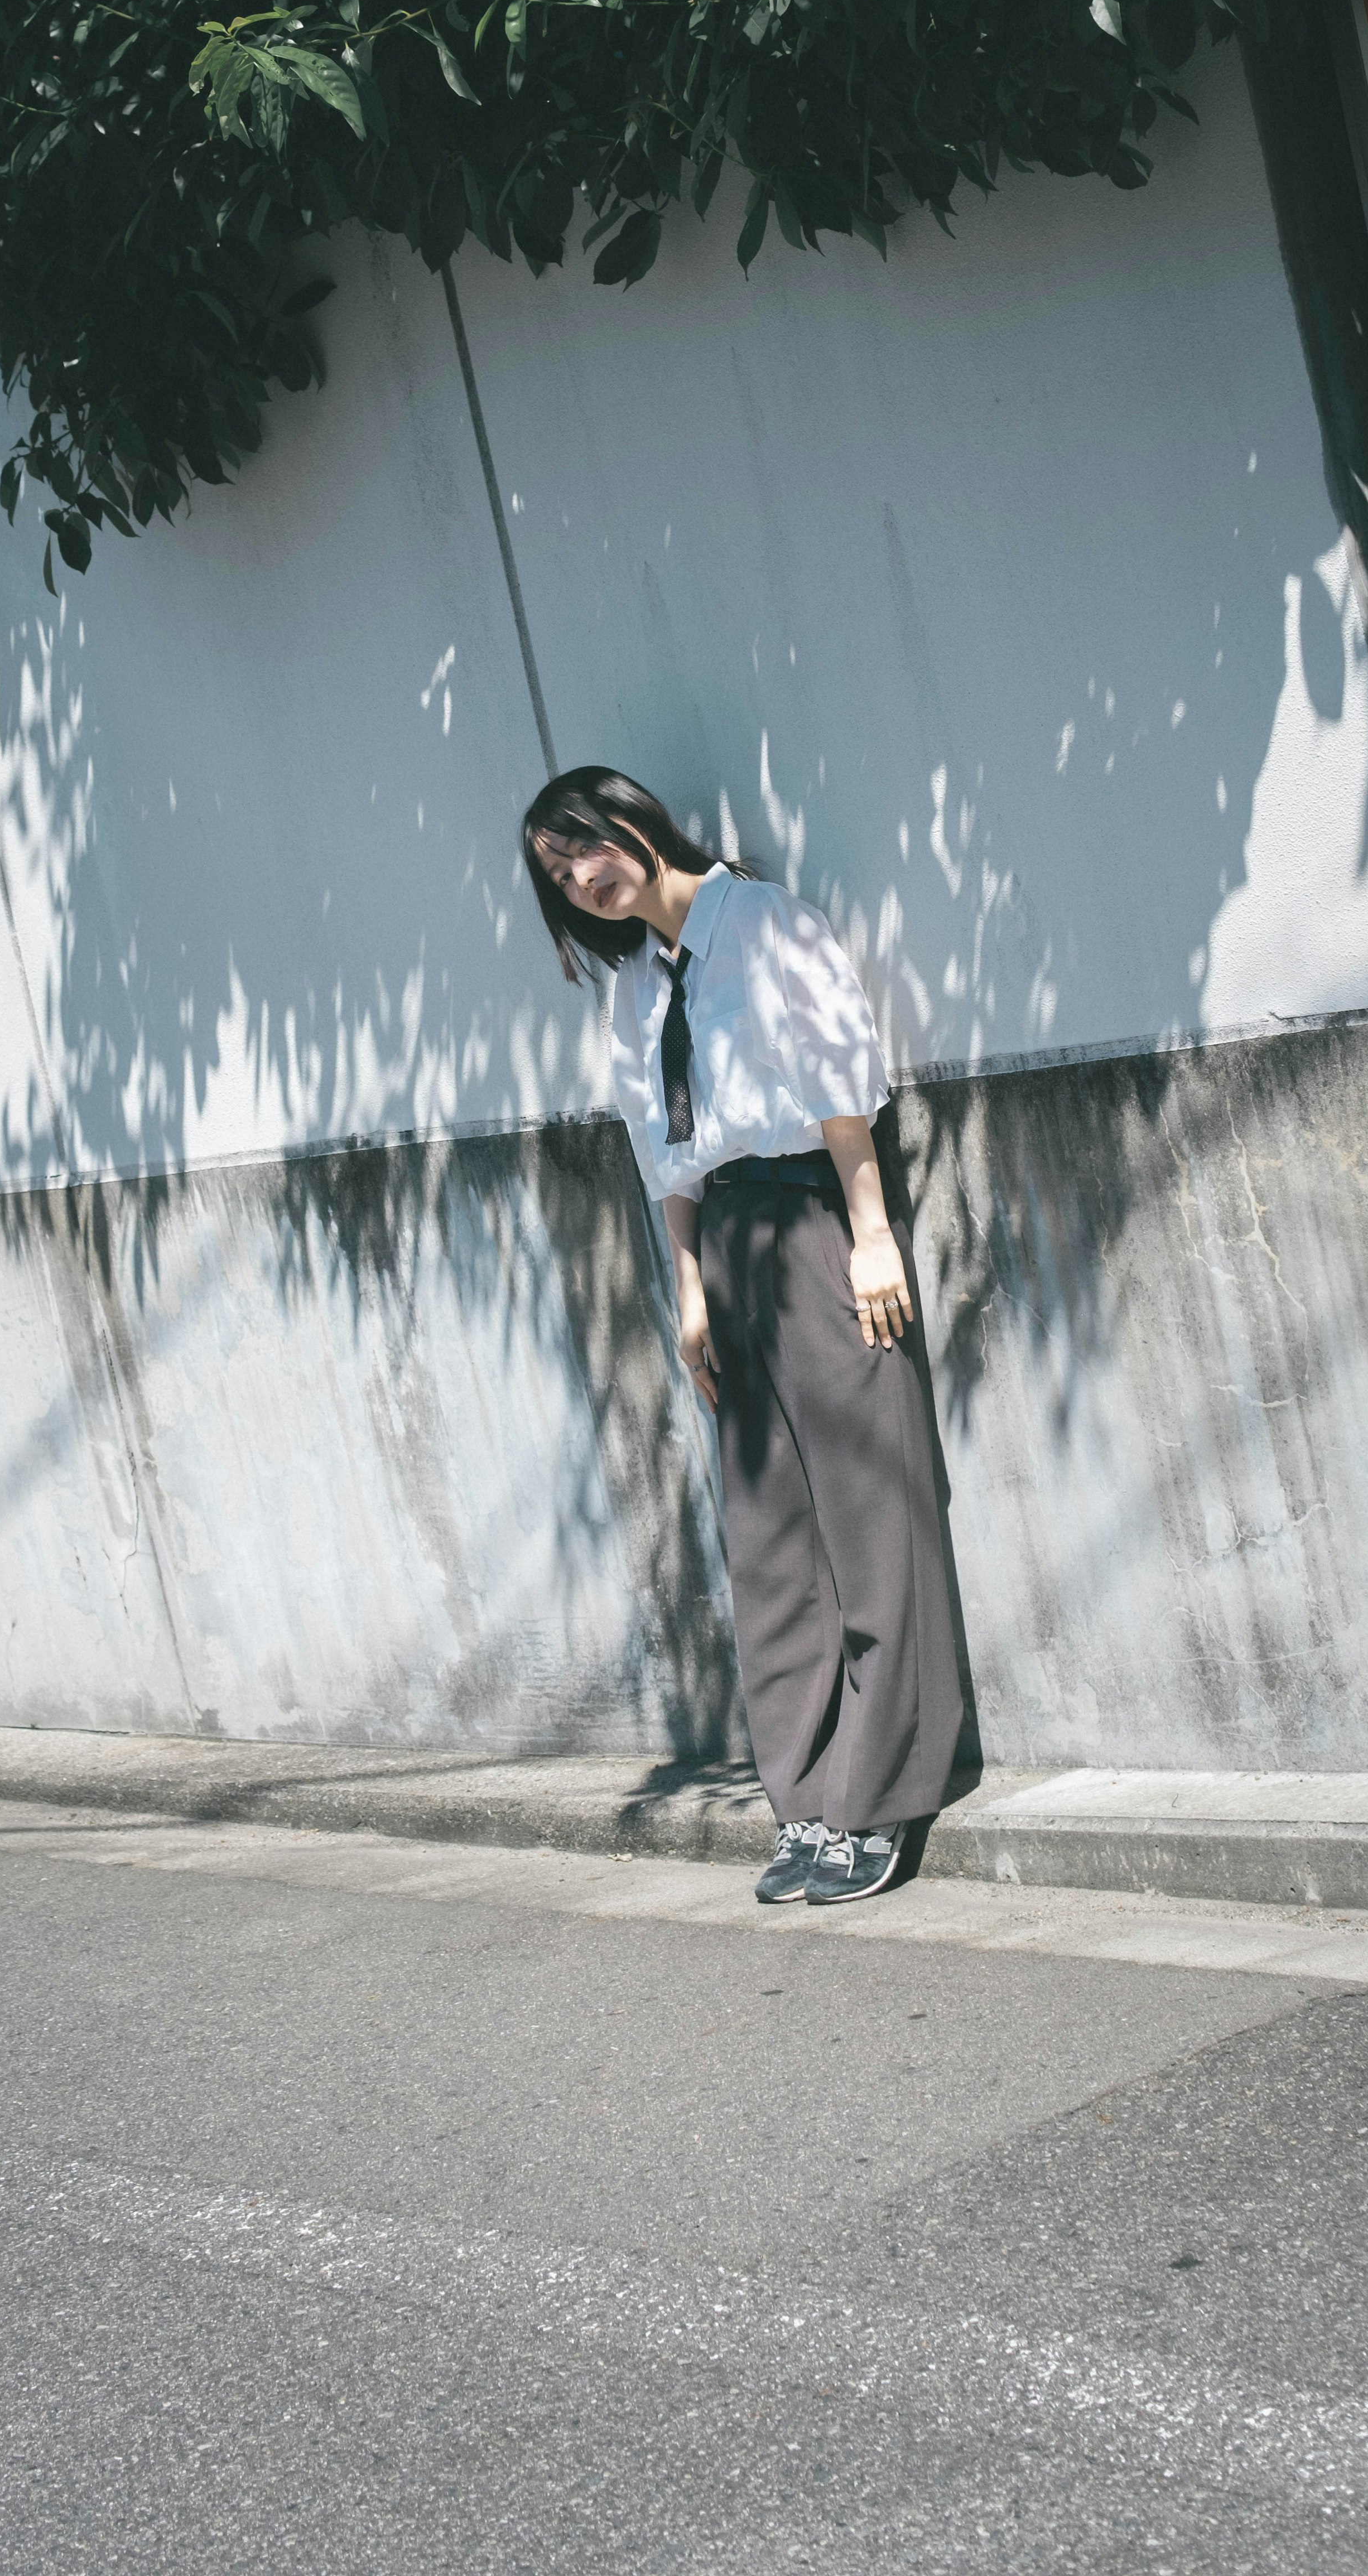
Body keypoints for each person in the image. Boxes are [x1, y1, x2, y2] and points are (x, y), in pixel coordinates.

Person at [522, 765, 967, 1907]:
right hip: (724, 1242)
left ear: (634, 820)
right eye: (558, 874)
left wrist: (870, 1234)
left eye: (586, 849)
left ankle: (881, 1796)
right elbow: (659, 1146)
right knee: (768, 1541)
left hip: (812, 1219)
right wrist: (689, 1292)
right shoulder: (635, 987)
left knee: (872, 1514)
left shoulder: (760, 922)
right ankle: (809, 1799)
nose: (582, 879)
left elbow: (837, 1083)